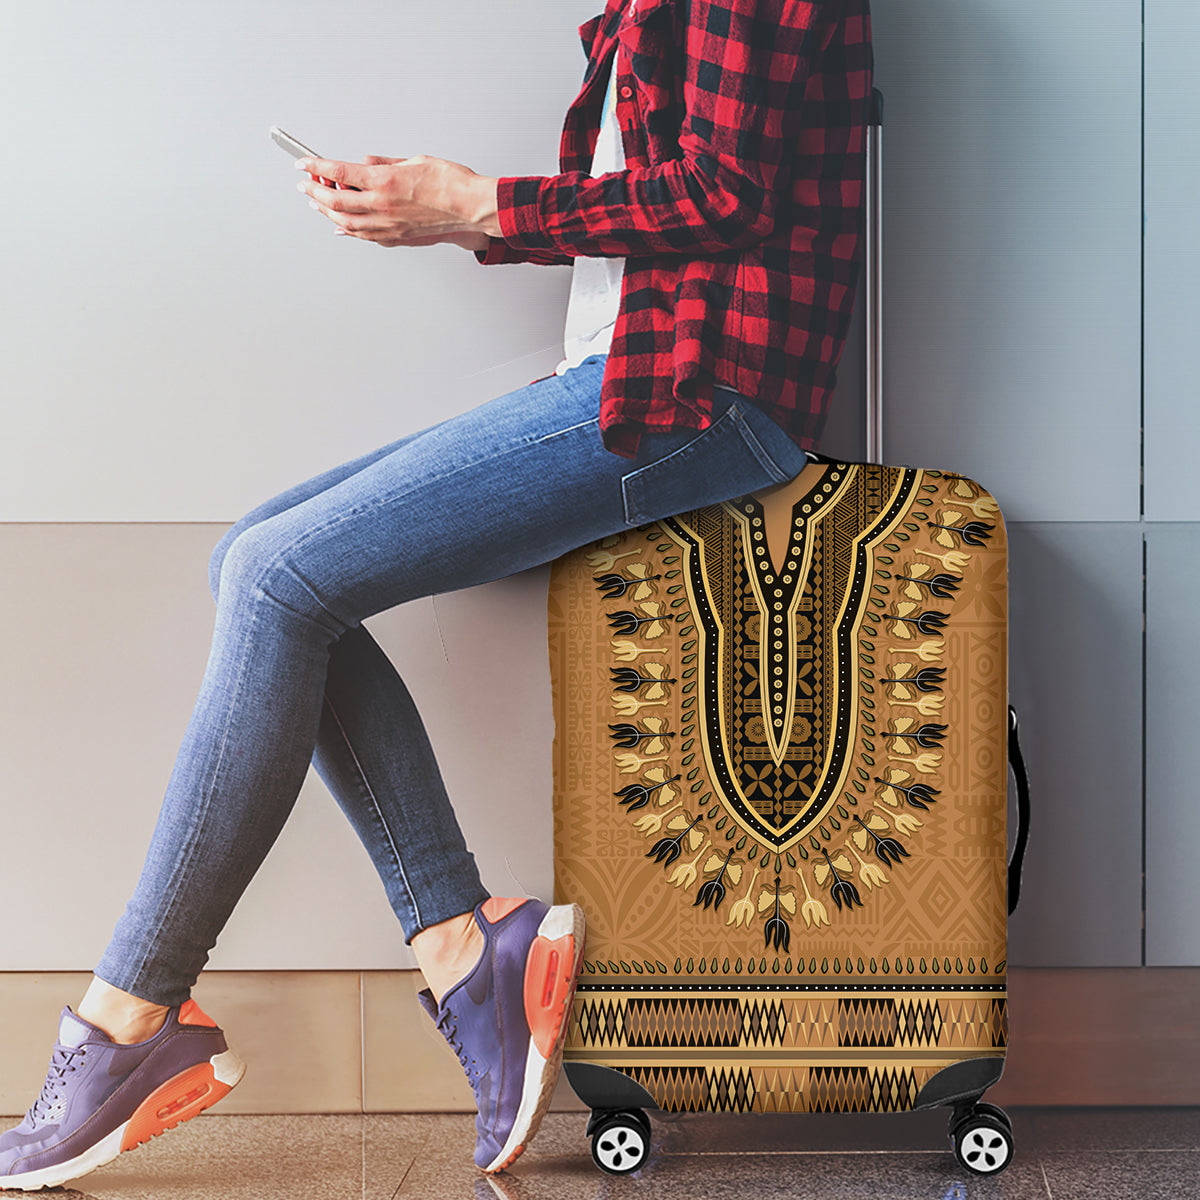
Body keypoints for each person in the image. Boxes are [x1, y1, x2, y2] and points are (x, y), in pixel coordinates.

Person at [0, 0, 872, 1188]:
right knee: (259, 563)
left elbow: (722, 193)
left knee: (270, 575)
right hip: (634, 370)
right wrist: (446, 216)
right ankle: (467, 950)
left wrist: (476, 205)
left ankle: (127, 1021)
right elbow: (661, 192)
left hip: (696, 393)